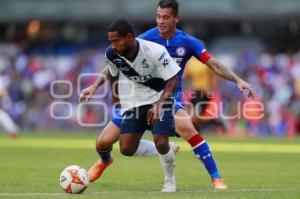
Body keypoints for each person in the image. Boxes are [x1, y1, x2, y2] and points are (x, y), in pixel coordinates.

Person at [80, 0, 254, 191]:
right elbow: (116, 62)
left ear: (176, 18)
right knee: (104, 142)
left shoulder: (187, 42)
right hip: (137, 98)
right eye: (158, 17)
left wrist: (237, 79)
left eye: (165, 17)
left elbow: (213, 64)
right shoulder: (145, 39)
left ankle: (216, 178)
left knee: (188, 129)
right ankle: (105, 161)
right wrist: (95, 86)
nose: (160, 21)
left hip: (169, 96)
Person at [97, 18, 181, 191]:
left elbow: (173, 81)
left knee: (159, 140)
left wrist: (159, 104)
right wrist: (116, 97)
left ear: (129, 37)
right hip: (135, 101)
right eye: (111, 41)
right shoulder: (112, 54)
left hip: (160, 97)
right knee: (126, 148)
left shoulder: (155, 51)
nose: (113, 45)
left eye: (116, 41)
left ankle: (170, 180)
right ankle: (166, 150)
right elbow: (112, 74)